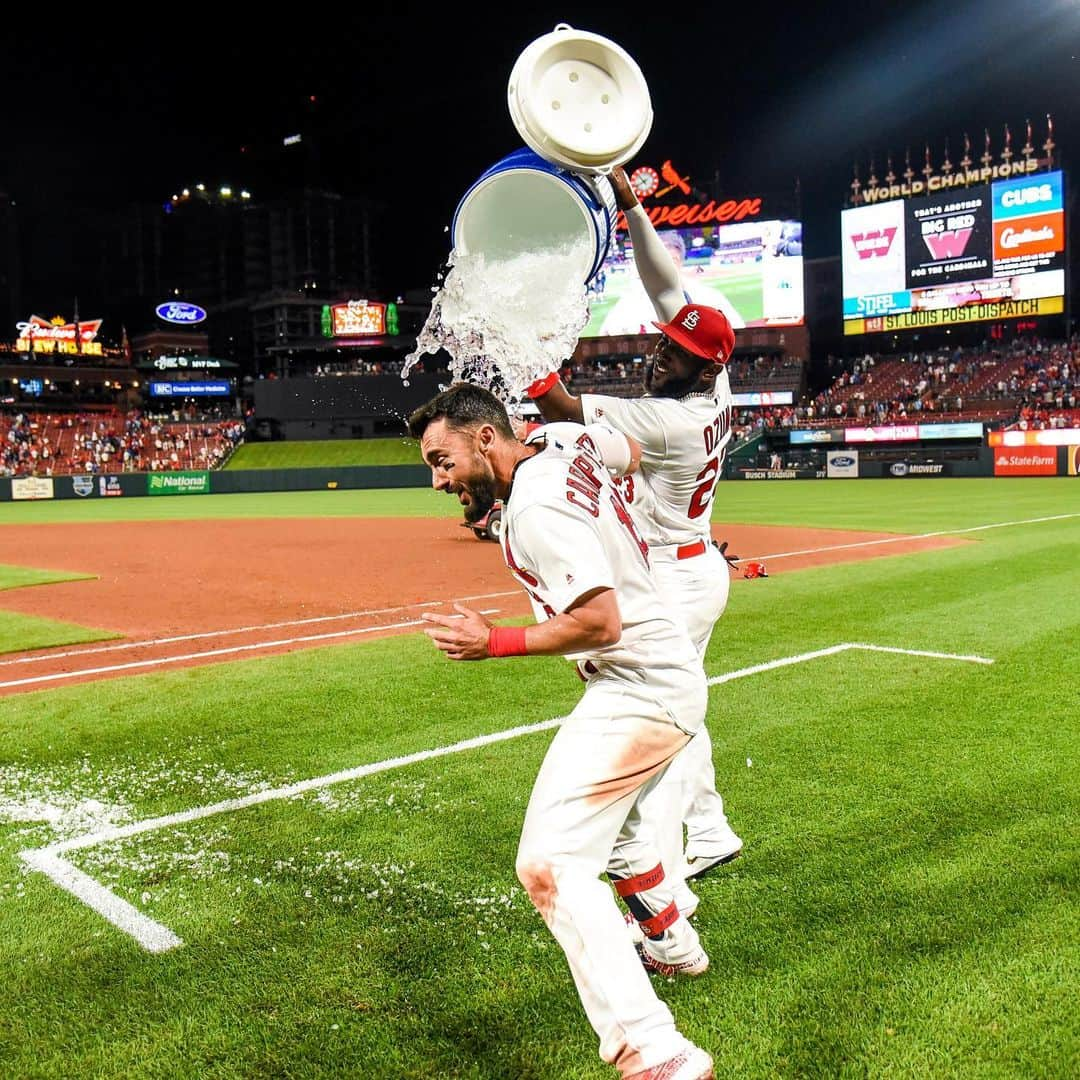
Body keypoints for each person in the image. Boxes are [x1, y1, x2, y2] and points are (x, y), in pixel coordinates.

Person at [409, 384, 715, 1080]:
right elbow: (629, 450)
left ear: (484, 437)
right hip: (652, 670)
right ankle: (671, 946)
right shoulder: (560, 440)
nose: (438, 480)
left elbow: (600, 622)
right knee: (624, 830)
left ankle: (656, 1051)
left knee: (551, 864)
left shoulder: (539, 505)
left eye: (442, 459)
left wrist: (495, 642)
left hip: (640, 686)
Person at [525, 165, 743, 919]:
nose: (659, 357)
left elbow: (554, 399)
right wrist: (634, 208)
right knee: (681, 704)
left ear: (701, 367)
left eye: (672, 357)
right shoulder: (712, 383)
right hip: (688, 562)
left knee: (649, 724)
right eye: (664, 347)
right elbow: (667, 288)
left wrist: (520, 333)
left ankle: (669, 884)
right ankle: (711, 831)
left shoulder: (670, 420)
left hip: (677, 577)